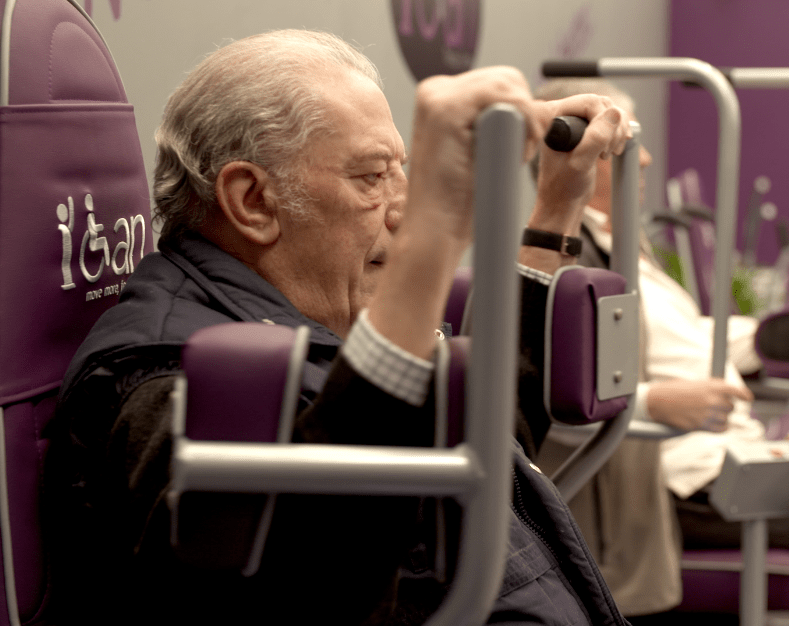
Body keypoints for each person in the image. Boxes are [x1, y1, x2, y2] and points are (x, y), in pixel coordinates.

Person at [44, 29, 636, 626]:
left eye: (404, 172)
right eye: (372, 177)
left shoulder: (306, 320)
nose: (403, 210)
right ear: (252, 201)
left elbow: (477, 460)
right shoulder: (175, 379)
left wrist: (556, 211)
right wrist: (434, 238)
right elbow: (300, 595)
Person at [534, 78, 789, 626]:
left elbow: (685, 335)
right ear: (582, 158)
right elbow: (557, 388)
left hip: (715, 452)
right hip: (680, 481)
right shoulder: (573, 262)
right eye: (628, 141)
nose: (647, 159)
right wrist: (656, 403)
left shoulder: (623, 249)